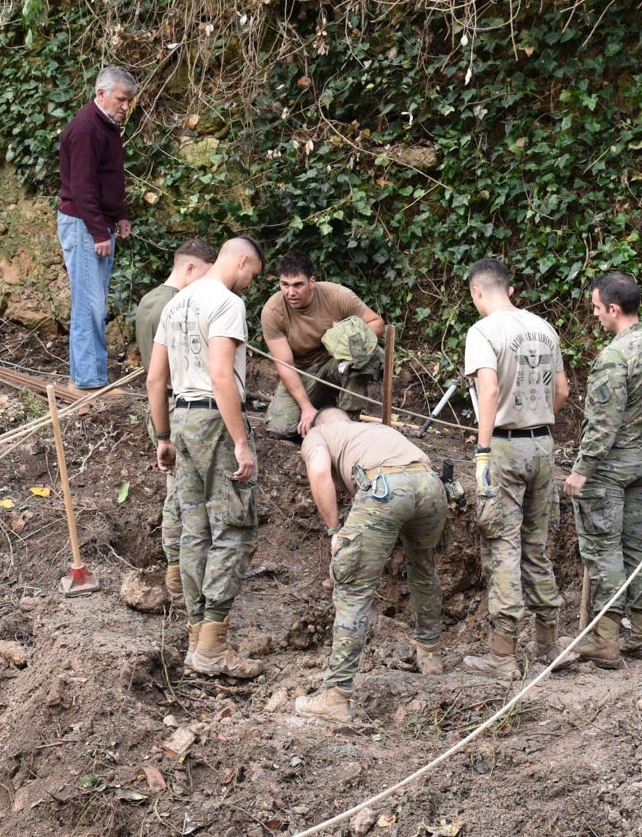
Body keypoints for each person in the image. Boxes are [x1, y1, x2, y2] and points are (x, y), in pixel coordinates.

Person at [146, 237, 266, 679]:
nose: (251, 283)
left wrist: (163, 435)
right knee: (233, 528)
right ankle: (214, 647)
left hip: (181, 418)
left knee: (194, 530)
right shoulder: (227, 302)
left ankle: (197, 639)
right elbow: (221, 374)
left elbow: (155, 378)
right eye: (253, 273)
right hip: (215, 420)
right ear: (242, 261)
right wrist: (240, 441)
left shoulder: (175, 305)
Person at [294, 408, 447, 722]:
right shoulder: (375, 432)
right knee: (423, 569)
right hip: (431, 486)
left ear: (319, 423)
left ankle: (335, 697)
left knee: (353, 590)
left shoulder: (318, 434)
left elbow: (320, 472)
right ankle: (430, 654)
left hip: (386, 488)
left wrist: (335, 530)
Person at [459, 259, 570, 681]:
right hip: (543, 445)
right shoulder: (543, 327)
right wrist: (538, 418)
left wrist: (483, 447)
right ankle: (547, 645)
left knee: (503, 546)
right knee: (536, 546)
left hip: (504, 447)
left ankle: (502, 655)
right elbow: (561, 391)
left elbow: (487, 388)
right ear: (511, 288)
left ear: (477, 292)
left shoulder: (482, 332)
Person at [563, 270, 642, 669]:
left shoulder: (615, 356)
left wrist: (581, 470)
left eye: (596, 308)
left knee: (602, 550)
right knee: (632, 547)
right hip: (640, 464)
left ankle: (605, 641)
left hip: (608, 469)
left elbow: (603, 424)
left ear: (613, 308)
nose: (594, 316)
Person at [134, 239, 218, 602]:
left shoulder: (149, 299)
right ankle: (178, 579)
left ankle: (175, 574)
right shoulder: (177, 306)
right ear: (190, 268)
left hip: (159, 406)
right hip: (178, 406)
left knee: (176, 492)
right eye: (206, 275)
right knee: (182, 497)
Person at [58, 65, 138, 391]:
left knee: (90, 303)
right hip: (83, 224)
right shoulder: (87, 129)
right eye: (121, 99)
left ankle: (84, 378)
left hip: (95, 223)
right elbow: (83, 187)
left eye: (129, 101)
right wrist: (98, 231)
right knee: (91, 304)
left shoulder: (106, 127)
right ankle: (91, 384)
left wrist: (118, 215)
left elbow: (108, 179)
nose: (125, 106)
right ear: (101, 93)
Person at [260, 250, 385, 438]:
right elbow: (284, 364)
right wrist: (306, 407)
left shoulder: (337, 296)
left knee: (361, 356)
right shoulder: (272, 311)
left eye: (298, 285)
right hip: (303, 370)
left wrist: (346, 341)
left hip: (335, 362)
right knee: (280, 429)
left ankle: (349, 424)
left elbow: (377, 323)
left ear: (312, 282)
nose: (290, 292)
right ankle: (323, 409)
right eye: (284, 284)